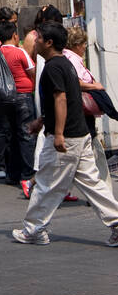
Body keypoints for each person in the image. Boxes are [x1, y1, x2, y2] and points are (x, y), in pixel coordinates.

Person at [13, 22, 118, 247]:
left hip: (66, 138)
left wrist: (58, 133)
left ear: (49, 43)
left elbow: (61, 99)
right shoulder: (65, 64)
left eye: (39, 38)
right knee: (93, 183)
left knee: (46, 183)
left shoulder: (54, 68)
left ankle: (34, 230)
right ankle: (117, 223)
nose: (35, 41)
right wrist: (41, 122)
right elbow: (63, 99)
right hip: (79, 135)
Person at [0, 20, 37, 196]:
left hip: (3, 99)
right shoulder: (19, 52)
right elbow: (33, 72)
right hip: (23, 96)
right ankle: (28, 174)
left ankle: (12, 173)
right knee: (26, 135)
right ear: (15, 36)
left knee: (11, 136)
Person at [64, 26, 110, 185]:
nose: (85, 47)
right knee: (90, 151)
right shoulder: (72, 60)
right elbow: (75, 82)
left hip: (79, 112)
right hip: (81, 111)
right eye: (83, 44)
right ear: (76, 44)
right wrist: (94, 86)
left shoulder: (70, 58)